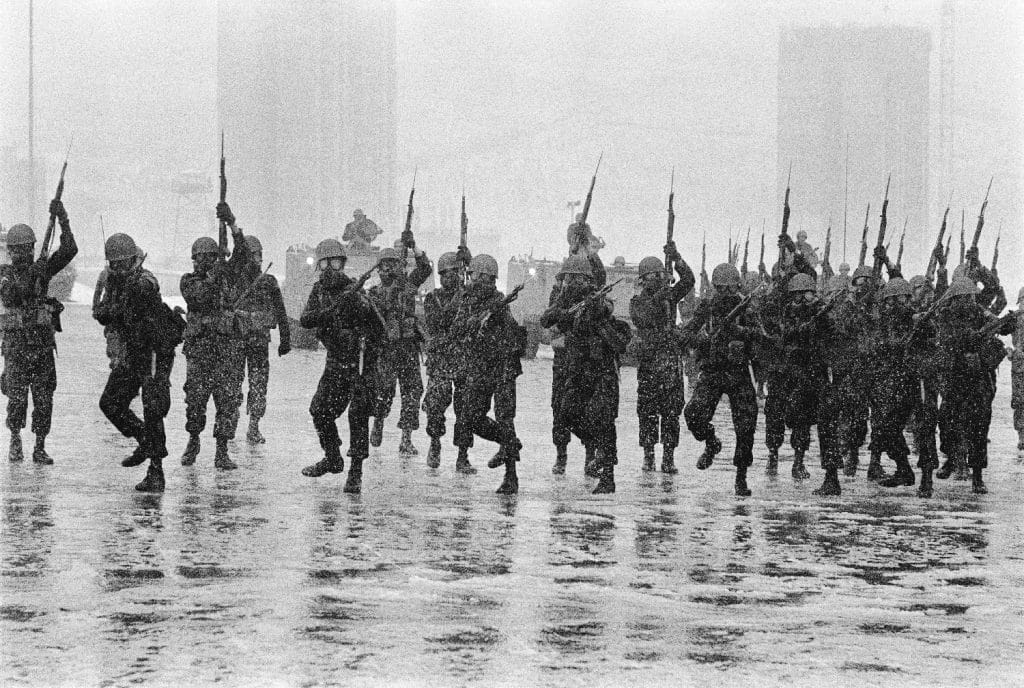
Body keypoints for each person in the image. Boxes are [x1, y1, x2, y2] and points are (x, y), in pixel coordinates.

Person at [94, 233, 182, 492]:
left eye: (123, 263)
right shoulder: (115, 282)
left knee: (153, 406)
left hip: (155, 350)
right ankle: (144, 437)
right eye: (114, 264)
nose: (118, 268)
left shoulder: (143, 281)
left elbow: (130, 306)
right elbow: (104, 313)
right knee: (110, 402)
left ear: (134, 259)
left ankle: (156, 470)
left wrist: (111, 309)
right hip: (134, 350)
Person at [540, 254, 631, 493]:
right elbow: (546, 320)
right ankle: (597, 449)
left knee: (603, 419)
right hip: (579, 369)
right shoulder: (565, 300)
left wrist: (594, 307)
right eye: (569, 279)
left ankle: (607, 473)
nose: (573, 283)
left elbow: (607, 312)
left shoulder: (598, 299)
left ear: (587, 280)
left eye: (577, 279)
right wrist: (564, 311)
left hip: (602, 370)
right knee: (567, 413)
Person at [298, 239, 383, 493]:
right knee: (320, 411)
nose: (329, 268)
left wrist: (357, 306)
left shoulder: (354, 290)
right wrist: (329, 311)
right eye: (324, 263)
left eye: (334, 262)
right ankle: (332, 457)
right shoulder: (320, 292)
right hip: (336, 362)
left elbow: (378, 327)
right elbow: (305, 319)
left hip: (358, 363)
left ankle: (356, 470)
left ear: (342, 264)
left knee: (357, 416)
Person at [0, 201, 78, 464]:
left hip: (42, 345)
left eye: (29, 248)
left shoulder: (41, 270)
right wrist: (30, 276)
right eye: (20, 250)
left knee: (44, 397)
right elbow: (11, 294)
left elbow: (69, 250)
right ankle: (15, 438)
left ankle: (40, 445)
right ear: (11, 252)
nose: (26, 253)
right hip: (16, 347)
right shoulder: (5, 274)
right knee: (17, 396)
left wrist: (63, 219)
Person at [179, 201, 251, 470]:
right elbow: (199, 297)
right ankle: (193, 440)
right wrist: (215, 275)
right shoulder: (189, 280)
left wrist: (232, 224)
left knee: (228, 400)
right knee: (196, 400)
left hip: (226, 350)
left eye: (210, 257)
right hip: (200, 352)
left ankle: (222, 449)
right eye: (200, 258)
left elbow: (242, 255)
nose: (204, 261)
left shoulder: (227, 274)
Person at [681, 262, 760, 496]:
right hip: (713, 369)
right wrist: (701, 341)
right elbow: (688, 332)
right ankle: (711, 441)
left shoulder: (746, 307)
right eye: (721, 288)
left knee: (746, 425)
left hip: (738, 371)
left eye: (729, 288)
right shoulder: (707, 306)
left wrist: (741, 334)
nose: (725, 293)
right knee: (693, 413)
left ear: (737, 286)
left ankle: (741, 477)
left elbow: (762, 337)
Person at [933, 277, 1014, 494]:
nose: (968, 301)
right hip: (955, 377)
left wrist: (1006, 322)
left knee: (979, 427)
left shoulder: (979, 312)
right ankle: (951, 458)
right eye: (964, 298)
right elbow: (950, 339)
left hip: (978, 379)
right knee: (948, 422)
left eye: (971, 297)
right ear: (955, 298)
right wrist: (973, 337)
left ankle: (977, 475)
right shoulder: (946, 316)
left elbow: (1001, 327)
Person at [451, 254, 523, 493]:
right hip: (480, 366)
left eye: (475, 276)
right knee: (470, 417)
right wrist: (478, 318)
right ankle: (509, 443)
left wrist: (496, 314)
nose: (472, 280)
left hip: (502, 367)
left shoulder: (501, 303)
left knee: (505, 417)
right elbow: (457, 329)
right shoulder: (467, 301)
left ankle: (511, 476)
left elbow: (514, 337)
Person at [628, 241, 695, 473]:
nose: (655, 279)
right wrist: (660, 296)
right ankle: (648, 455)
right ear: (643, 280)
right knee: (647, 411)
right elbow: (643, 317)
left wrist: (677, 258)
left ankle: (668, 457)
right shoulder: (637, 302)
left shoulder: (670, 296)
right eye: (651, 276)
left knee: (671, 412)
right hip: (649, 363)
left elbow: (688, 281)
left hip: (670, 363)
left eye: (658, 275)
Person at [367, 242, 432, 454]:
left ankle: (406, 438)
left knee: (412, 393)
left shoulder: (408, 286)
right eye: (384, 266)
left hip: (408, 349)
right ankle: (378, 421)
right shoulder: (374, 293)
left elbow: (425, 269)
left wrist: (415, 248)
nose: (388, 270)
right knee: (384, 392)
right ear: (379, 269)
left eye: (392, 265)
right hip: (386, 350)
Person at [422, 249, 476, 473]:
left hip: (463, 359)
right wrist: (461, 297)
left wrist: (470, 261)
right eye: (444, 274)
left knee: (465, 409)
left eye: (453, 273)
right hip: (441, 360)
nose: (448, 278)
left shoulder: (469, 296)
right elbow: (438, 322)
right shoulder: (432, 298)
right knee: (435, 405)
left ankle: (462, 455)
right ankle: (435, 442)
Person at [236, 235, 291, 444]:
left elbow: (280, 310)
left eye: (258, 255)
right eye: (252, 255)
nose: (256, 259)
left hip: (258, 340)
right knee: (233, 383)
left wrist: (285, 339)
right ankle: (231, 421)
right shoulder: (234, 281)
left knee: (258, 383)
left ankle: (254, 425)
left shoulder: (268, 281)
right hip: (237, 339)